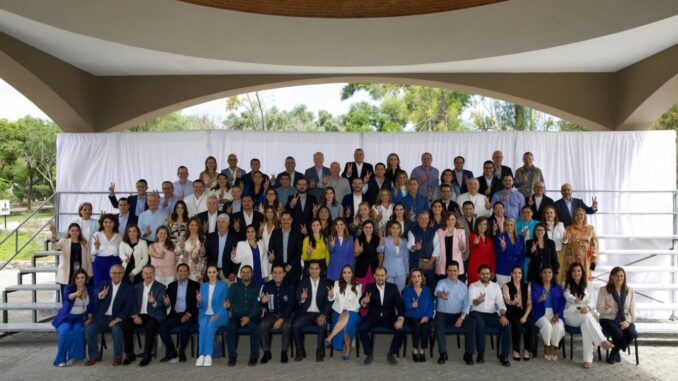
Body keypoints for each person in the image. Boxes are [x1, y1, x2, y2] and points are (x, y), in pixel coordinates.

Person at [563, 263, 614, 368]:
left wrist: (589, 308)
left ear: (582, 272)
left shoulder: (588, 284)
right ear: (570, 273)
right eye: (574, 271)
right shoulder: (565, 284)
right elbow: (567, 296)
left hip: (585, 314)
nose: (576, 273)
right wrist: (574, 300)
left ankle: (588, 360)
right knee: (587, 317)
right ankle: (602, 340)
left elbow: (592, 301)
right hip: (571, 315)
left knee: (586, 325)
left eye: (579, 271)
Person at [85, 264, 132, 366]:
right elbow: (95, 296)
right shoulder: (104, 284)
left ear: (123, 274)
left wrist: (117, 319)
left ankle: (118, 357)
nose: (117, 275)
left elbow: (128, 307)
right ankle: (94, 355)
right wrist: (100, 295)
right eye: (114, 273)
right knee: (89, 329)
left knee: (116, 330)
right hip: (102, 317)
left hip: (117, 318)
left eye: (120, 273)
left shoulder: (128, 288)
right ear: (110, 274)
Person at [358, 266, 406, 365]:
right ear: (374, 276)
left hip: (389, 317)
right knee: (361, 328)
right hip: (373, 316)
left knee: (401, 330)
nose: (380, 278)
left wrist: (400, 319)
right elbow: (361, 300)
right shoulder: (369, 287)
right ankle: (369, 354)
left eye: (382, 275)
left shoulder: (393, 287)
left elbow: (400, 305)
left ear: (386, 276)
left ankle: (391, 354)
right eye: (378, 275)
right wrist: (364, 301)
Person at [122, 265, 166, 366]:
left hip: (154, 315)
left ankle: (147, 355)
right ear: (142, 275)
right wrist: (134, 316)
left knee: (150, 326)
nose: (148, 275)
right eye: (146, 273)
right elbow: (131, 303)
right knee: (126, 325)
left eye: (151, 273)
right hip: (139, 315)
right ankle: (130, 354)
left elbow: (161, 303)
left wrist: (154, 301)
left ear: (154, 274)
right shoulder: (136, 287)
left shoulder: (161, 287)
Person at [468, 265, 511, 366]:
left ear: (491, 274)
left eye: (487, 273)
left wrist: (503, 315)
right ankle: (480, 353)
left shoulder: (496, 286)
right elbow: (472, 302)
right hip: (477, 313)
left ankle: (504, 355)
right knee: (480, 325)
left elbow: (501, 303)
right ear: (478, 274)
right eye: (482, 274)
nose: (485, 276)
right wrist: (479, 300)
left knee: (507, 325)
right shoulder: (473, 286)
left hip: (492, 315)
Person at [52, 269, 95, 367]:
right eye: (77, 278)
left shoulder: (90, 289)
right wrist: (76, 294)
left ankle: (72, 356)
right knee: (66, 331)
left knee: (78, 330)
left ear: (86, 279)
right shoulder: (69, 288)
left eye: (82, 277)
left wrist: (90, 315)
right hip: (66, 318)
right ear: (74, 279)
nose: (80, 280)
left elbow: (93, 304)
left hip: (80, 318)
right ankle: (61, 358)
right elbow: (68, 297)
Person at [434, 261, 475, 365]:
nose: (452, 273)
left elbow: (467, 304)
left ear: (459, 271)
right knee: (438, 324)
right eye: (450, 271)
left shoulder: (463, 286)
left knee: (471, 324)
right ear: (446, 272)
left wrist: (461, 318)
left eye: (455, 270)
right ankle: (443, 353)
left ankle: (468, 354)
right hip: (443, 314)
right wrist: (441, 294)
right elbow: (437, 291)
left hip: (458, 314)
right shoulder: (441, 283)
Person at [159, 263, 200, 363]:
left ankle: (181, 352)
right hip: (175, 314)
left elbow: (196, 304)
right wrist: (167, 303)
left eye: (185, 271)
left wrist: (188, 314)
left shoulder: (195, 285)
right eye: (180, 271)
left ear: (188, 272)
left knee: (185, 328)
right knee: (162, 327)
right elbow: (167, 302)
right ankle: (172, 351)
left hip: (188, 314)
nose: (182, 273)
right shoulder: (171, 286)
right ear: (177, 273)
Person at [597, 267, 638, 365]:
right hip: (607, 318)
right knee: (619, 334)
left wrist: (627, 322)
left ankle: (615, 352)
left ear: (624, 277)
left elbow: (633, 312)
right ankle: (615, 354)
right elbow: (598, 308)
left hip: (625, 319)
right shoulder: (604, 290)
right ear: (612, 276)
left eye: (621, 276)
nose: (619, 278)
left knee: (633, 333)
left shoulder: (630, 291)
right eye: (616, 276)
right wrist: (607, 308)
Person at [293, 261, 331, 362]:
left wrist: (323, 315)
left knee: (322, 325)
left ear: (320, 270)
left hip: (319, 313)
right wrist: (302, 298)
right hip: (305, 313)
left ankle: (319, 351)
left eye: (316, 268)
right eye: (312, 268)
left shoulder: (326, 283)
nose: (314, 270)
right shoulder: (302, 282)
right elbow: (297, 297)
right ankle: (300, 351)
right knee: (296, 325)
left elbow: (329, 302)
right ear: (308, 270)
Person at [226, 265, 262, 367]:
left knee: (254, 327)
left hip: (253, 315)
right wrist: (228, 305)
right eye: (243, 272)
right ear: (240, 274)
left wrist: (249, 317)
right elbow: (229, 299)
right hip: (237, 314)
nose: (245, 274)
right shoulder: (234, 286)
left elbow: (258, 305)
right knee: (230, 327)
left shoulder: (258, 287)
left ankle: (254, 357)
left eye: (248, 272)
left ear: (252, 274)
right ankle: (232, 357)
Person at [259, 265, 296, 364]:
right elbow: (259, 300)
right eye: (275, 272)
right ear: (272, 274)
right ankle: (266, 352)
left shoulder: (290, 286)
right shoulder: (266, 285)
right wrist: (263, 301)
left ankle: (284, 352)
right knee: (263, 325)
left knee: (287, 326)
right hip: (271, 314)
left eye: (280, 272)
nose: (277, 275)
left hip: (286, 314)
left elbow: (291, 305)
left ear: (284, 274)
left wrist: (281, 319)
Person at [195, 265, 229, 367]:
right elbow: (200, 306)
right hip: (204, 314)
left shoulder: (223, 285)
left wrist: (217, 315)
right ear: (207, 274)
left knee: (210, 325)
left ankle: (208, 355)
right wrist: (199, 300)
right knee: (203, 326)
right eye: (209, 272)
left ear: (217, 273)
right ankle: (201, 355)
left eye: (214, 272)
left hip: (220, 315)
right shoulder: (203, 286)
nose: (211, 274)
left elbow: (225, 304)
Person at [326, 265, 362, 360]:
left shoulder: (358, 286)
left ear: (352, 274)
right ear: (342, 274)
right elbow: (332, 298)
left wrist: (346, 312)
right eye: (344, 272)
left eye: (349, 272)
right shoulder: (337, 283)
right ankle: (348, 349)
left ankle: (330, 337)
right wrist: (331, 294)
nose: (346, 275)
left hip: (353, 312)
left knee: (349, 318)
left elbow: (358, 304)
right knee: (348, 324)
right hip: (338, 313)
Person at [531, 266, 565, 361]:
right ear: (541, 274)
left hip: (555, 313)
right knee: (547, 326)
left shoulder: (558, 287)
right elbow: (531, 301)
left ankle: (553, 348)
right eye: (544, 272)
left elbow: (562, 303)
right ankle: (546, 346)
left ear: (552, 274)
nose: (547, 274)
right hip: (540, 313)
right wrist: (539, 299)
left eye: (549, 272)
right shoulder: (535, 286)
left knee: (558, 326)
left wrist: (557, 314)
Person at [49, 222, 92, 294]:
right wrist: (53, 234)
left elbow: (88, 259)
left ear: (79, 232)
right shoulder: (64, 241)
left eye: (76, 230)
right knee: (66, 298)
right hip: (66, 273)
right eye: (72, 230)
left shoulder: (84, 243)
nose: (74, 232)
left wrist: (89, 273)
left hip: (79, 273)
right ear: (69, 232)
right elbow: (54, 247)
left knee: (78, 297)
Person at [502, 265, 533, 361]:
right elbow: (507, 300)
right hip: (511, 312)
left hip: (524, 312)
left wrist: (525, 316)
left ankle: (526, 349)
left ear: (522, 274)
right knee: (517, 326)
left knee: (530, 325)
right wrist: (513, 302)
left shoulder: (526, 285)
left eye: (519, 273)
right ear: (511, 274)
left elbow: (529, 303)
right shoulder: (506, 286)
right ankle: (515, 350)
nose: (517, 275)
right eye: (515, 273)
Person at [402, 269, 434, 362]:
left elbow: (431, 306)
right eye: (414, 276)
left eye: (418, 276)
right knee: (416, 325)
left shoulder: (427, 290)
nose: (416, 278)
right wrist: (411, 305)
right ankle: (415, 349)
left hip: (424, 316)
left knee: (425, 326)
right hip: (410, 316)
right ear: (411, 279)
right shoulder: (407, 290)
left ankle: (422, 350)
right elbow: (404, 306)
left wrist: (427, 316)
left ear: (422, 278)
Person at [563, 208, 598, 281]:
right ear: (574, 217)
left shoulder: (590, 228)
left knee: (585, 278)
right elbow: (566, 242)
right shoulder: (569, 228)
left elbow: (594, 243)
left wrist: (594, 257)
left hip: (586, 258)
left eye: (581, 215)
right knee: (572, 277)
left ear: (585, 216)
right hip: (572, 257)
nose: (579, 217)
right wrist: (565, 239)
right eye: (577, 215)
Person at [268, 211, 303, 285]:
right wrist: (271, 258)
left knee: (293, 293)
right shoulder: (275, 233)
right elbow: (271, 250)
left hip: (293, 269)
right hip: (278, 270)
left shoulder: (297, 234)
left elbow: (299, 252)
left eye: (288, 219)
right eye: (283, 219)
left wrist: (290, 265)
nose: (286, 221)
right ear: (280, 220)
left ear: (291, 220)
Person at [407, 212, 439, 289]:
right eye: (421, 218)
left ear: (428, 220)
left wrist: (430, 263)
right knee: (416, 287)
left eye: (426, 218)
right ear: (417, 219)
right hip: (416, 265)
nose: (423, 220)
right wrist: (415, 247)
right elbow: (410, 245)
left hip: (430, 265)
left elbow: (437, 249)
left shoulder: (433, 231)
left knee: (430, 287)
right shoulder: (412, 231)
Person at [205, 213, 239, 283]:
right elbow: (206, 253)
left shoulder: (235, 237)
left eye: (223, 222)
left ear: (228, 223)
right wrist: (202, 252)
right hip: (213, 273)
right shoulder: (211, 236)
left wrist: (234, 272)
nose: (220, 224)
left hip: (229, 274)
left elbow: (238, 256)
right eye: (219, 222)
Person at [378, 221, 410, 291]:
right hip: (388, 270)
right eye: (393, 228)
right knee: (388, 292)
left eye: (397, 228)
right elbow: (379, 251)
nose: (395, 230)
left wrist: (407, 271)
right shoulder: (385, 239)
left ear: (400, 230)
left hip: (402, 271)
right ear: (390, 229)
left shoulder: (404, 241)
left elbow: (406, 257)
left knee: (400, 291)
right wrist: (381, 244)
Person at [435, 212, 466, 281]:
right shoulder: (439, 231)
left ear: (456, 220)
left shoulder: (461, 231)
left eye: (453, 219)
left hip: (456, 265)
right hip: (442, 265)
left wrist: (461, 246)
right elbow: (436, 250)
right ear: (445, 221)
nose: (451, 221)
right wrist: (437, 265)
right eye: (448, 219)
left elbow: (463, 249)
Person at [494, 219, 525, 287]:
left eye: (511, 225)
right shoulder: (500, 237)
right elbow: (497, 252)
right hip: (503, 269)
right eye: (507, 225)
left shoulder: (520, 238)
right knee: (503, 292)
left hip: (516, 271)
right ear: (504, 226)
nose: (509, 227)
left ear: (514, 226)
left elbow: (522, 255)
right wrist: (503, 247)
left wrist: (519, 268)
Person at [176, 217, 206, 283]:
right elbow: (177, 253)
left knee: (194, 290)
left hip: (196, 270)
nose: (194, 227)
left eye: (196, 225)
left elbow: (204, 256)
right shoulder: (183, 237)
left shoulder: (203, 239)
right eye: (192, 225)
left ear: (199, 227)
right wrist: (181, 247)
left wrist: (202, 252)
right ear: (188, 225)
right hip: (183, 269)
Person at [466, 217, 495, 284]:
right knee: (474, 288)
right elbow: (470, 247)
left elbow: (492, 255)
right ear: (477, 225)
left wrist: (493, 270)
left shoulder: (490, 239)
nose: (482, 226)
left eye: (484, 224)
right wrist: (474, 244)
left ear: (487, 226)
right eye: (480, 224)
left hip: (487, 269)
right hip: (474, 267)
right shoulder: (472, 236)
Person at [541, 205, 566, 283]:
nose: (549, 215)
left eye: (551, 213)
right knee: (546, 274)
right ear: (544, 215)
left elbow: (564, 241)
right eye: (547, 213)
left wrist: (565, 239)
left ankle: (556, 291)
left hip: (558, 252)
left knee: (557, 274)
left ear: (554, 214)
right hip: (545, 253)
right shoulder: (541, 225)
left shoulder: (560, 224)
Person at [354, 220, 381, 287]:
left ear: (373, 228)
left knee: (372, 290)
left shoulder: (378, 239)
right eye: (366, 227)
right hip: (361, 269)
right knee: (360, 289)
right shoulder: (358, 239)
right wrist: (359, 251)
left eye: (370, 227)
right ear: (363, 228)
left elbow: (380, 255)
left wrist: (379, 267)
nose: (368, 229)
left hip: (374, 268)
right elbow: (355, 254)